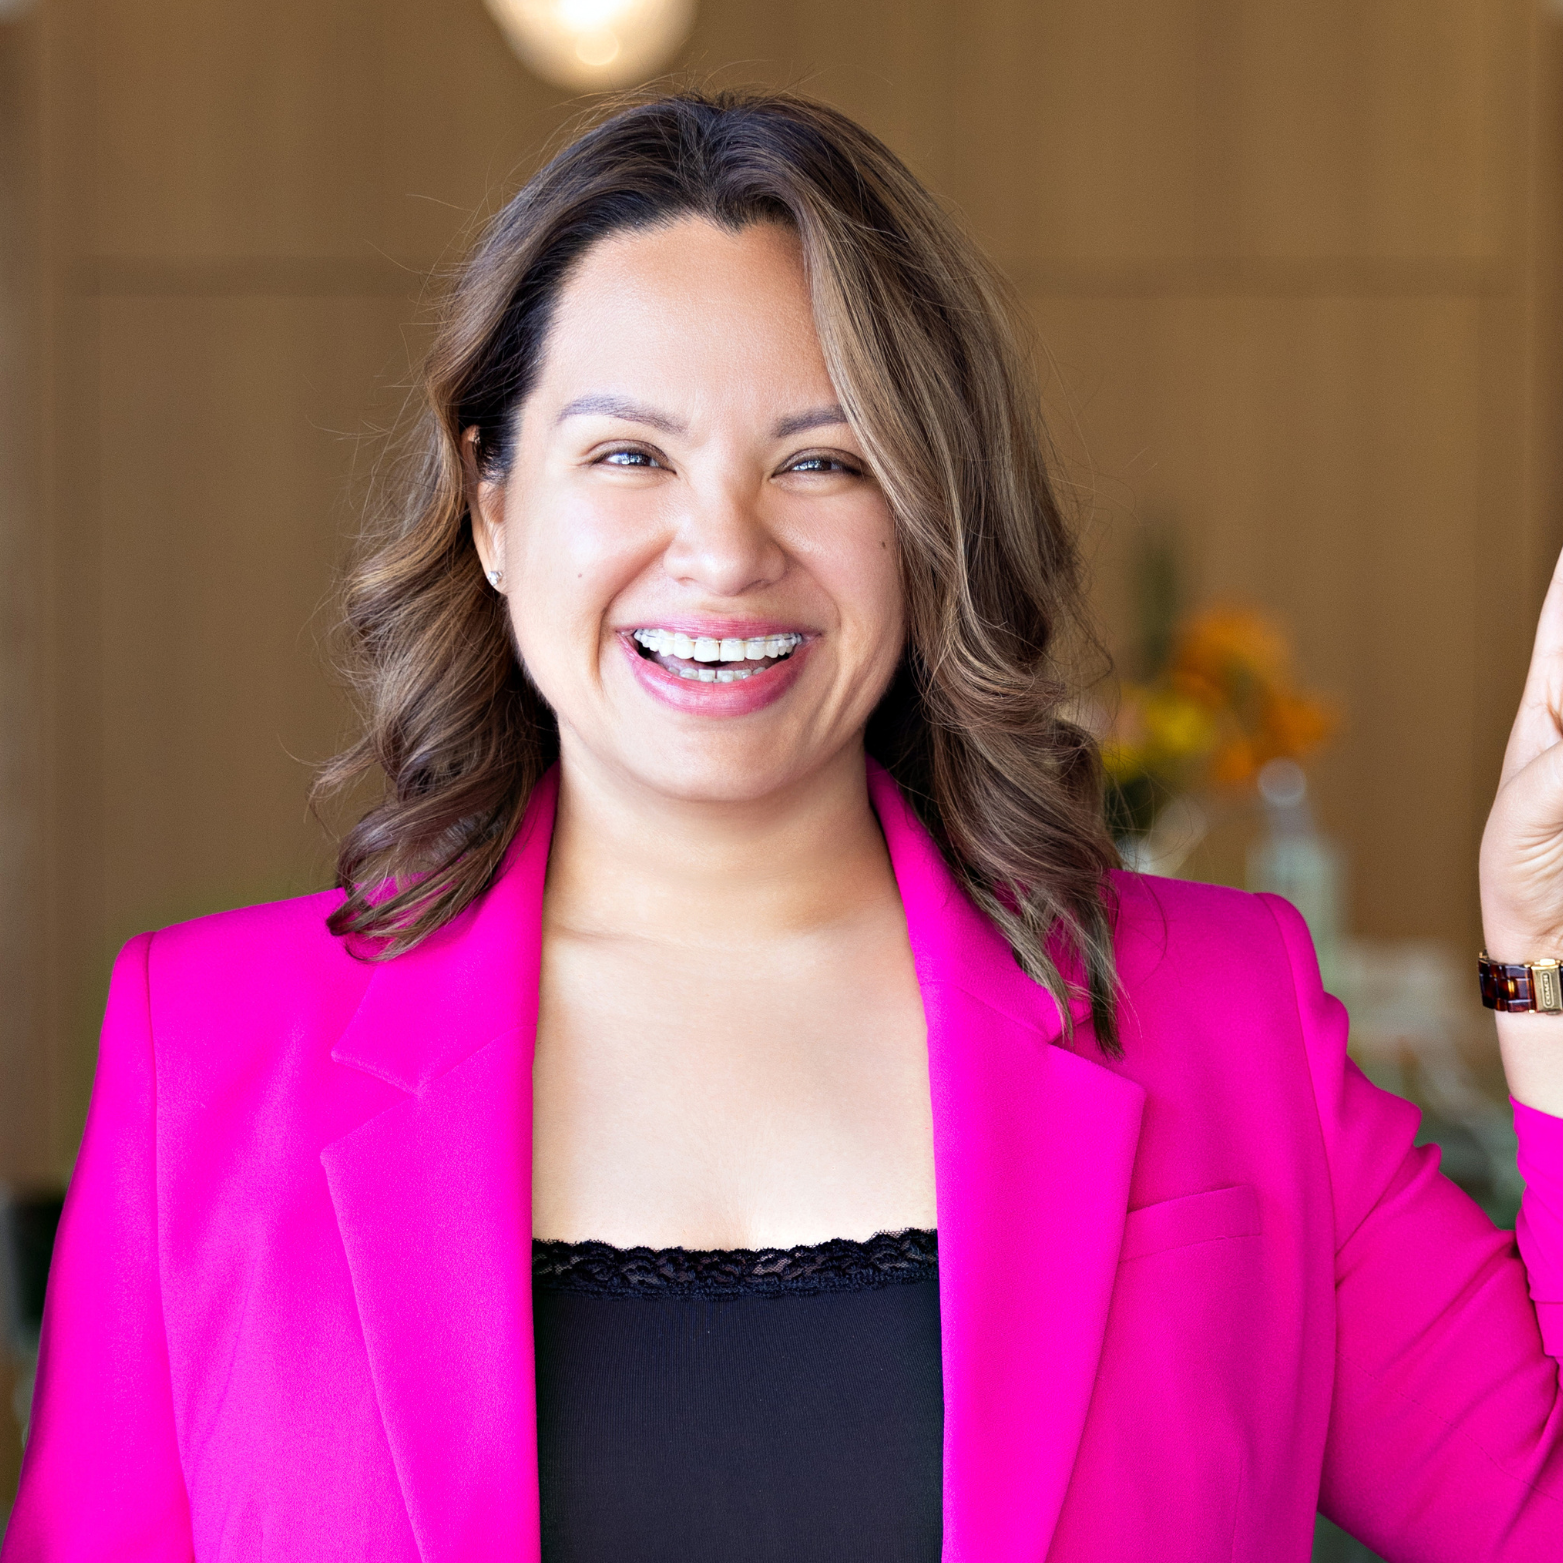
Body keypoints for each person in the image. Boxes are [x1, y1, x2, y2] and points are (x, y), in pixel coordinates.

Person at [5, 89, 1563, 1563]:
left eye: (820, 461)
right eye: (628, 454)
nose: (723, 550)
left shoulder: (1215, 1012)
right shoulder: (207, 1052)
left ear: (925, 511)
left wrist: (1542, 973)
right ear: (492, 505)